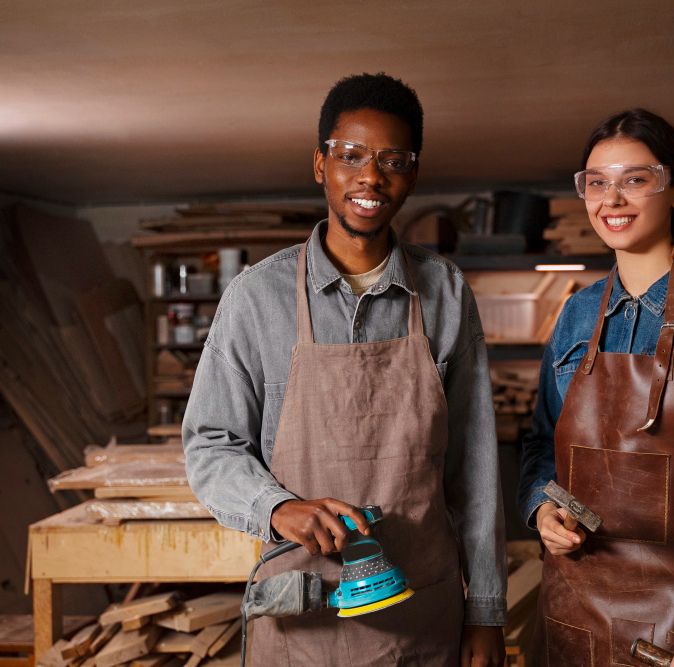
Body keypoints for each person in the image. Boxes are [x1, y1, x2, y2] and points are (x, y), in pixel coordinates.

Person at [184, 72, 506, 666]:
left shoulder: (445, 293)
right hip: (302, 620)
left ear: (413, 172)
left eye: (392, 160)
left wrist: (484, 610)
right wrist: (279, 508)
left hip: (421, 619)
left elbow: (476, 468)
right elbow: (210, 444)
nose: (370, 177)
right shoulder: (257, 298)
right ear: (319, 164)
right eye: (351, 155)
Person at [518, 108, 674, 667]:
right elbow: (541, 445)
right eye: (597, 183)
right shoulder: (575, 315)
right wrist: (542, 507)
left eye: (635, 179)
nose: (612, 200)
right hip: (573, 603)